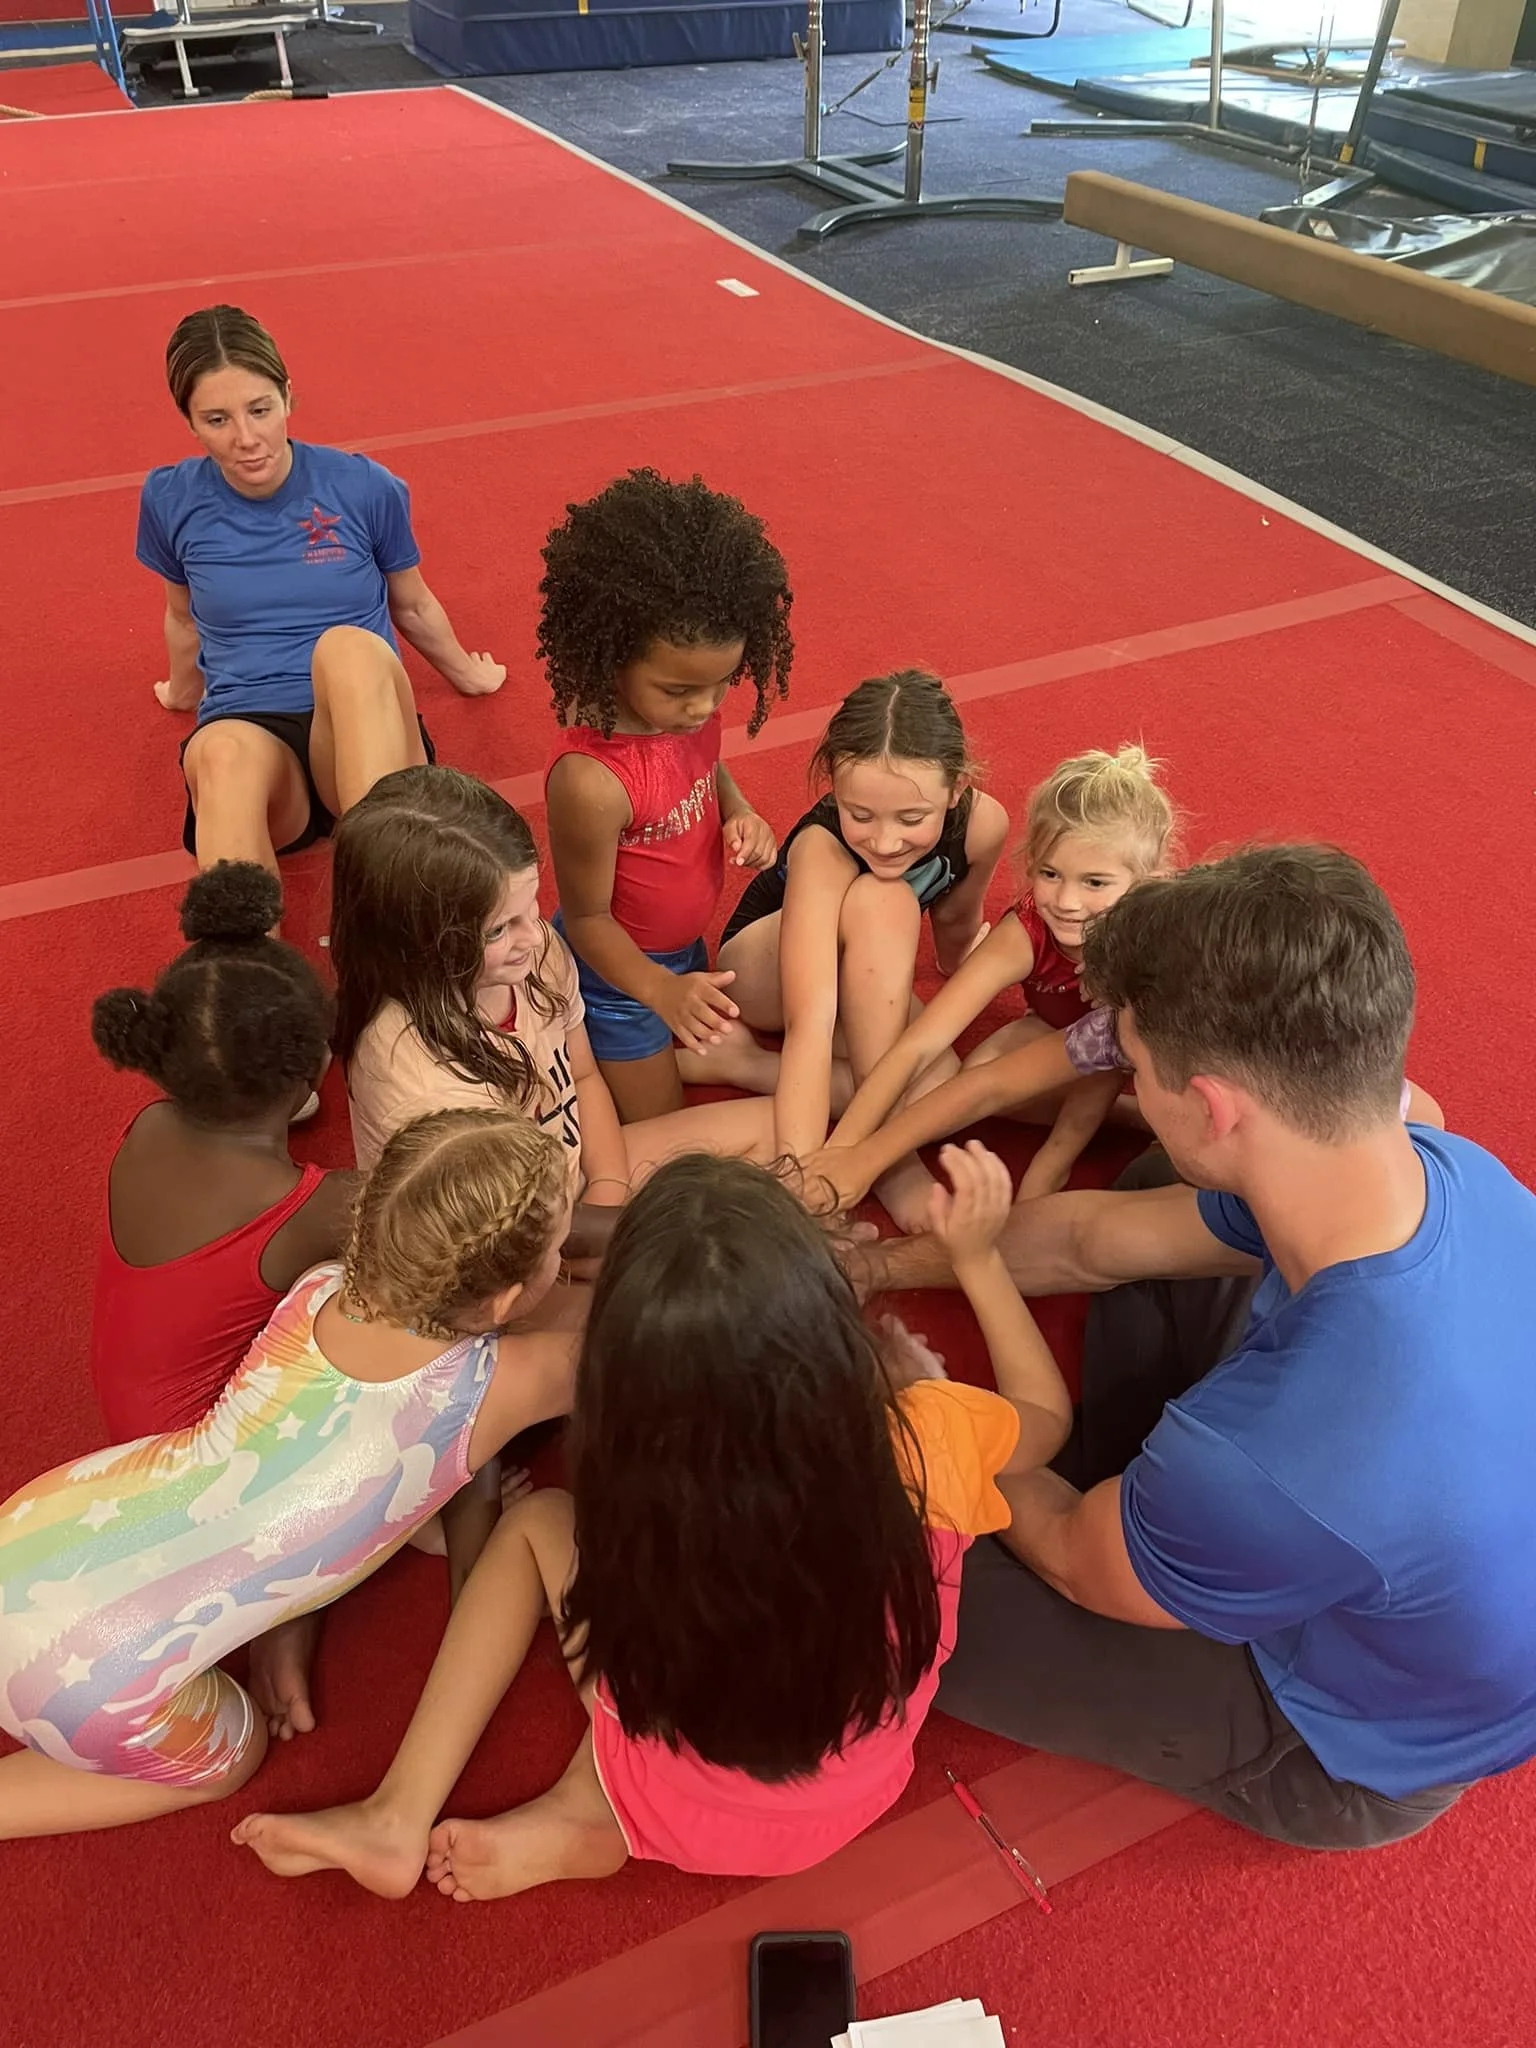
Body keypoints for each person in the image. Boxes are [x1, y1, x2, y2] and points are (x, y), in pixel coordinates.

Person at [868, 845, 1536, 1851]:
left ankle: (1151, 1524)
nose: (1127, 1078)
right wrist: (873, 1267)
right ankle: (1155, 1515)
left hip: (1333, 1742)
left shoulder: (1282, 1454)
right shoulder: (1448, 1166)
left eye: (1136, 1068)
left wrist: (937, 1422)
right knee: (1150, 1194)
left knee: (863, 1545)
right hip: (1366, 1515)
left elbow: (1071, 1557)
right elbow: (1093, 1239)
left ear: (1216, 1102)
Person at [230, 1141, 1069, 1900]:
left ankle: (417, 1811)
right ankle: (586, 1813)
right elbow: (1046, 1416)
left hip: (679, 1793)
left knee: (536, 1526)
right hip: (851, 1796)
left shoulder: (640, 1490)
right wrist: (976, 1260)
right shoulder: (928, 1433)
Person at [0, 1108, 583, 1840]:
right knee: (233, 1751)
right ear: (501, 1301)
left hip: (33, 1536)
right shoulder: (509, 1380)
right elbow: (631, 1339)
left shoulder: (320, 1289)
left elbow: (315, 1449)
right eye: (558, 1249)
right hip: (92, 1697)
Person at [331, 765, 776, 1266]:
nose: (532, 935)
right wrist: (646, 1232)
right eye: (498, 929)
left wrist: (608, 1189)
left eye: (532, 905)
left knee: (781, 1128)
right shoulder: (416, 1078)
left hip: (575, 1189)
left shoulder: (537, 949)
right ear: (416, 942)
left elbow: (582, 1075)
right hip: (506, 1250)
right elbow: (508, 1241)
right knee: (701, 1285)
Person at [138, 304, 503, 874]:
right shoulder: (170, 499)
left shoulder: (361, 485)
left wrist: (466, 673)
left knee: (349, 648)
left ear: (287, 396)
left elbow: (411, 601)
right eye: (217, 420)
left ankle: (384, 899)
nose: (246, 438)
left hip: (362, 724)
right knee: (220, 753)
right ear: (188, 420)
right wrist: (184, 692)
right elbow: (183, 616)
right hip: (253, 732)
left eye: (260, 410)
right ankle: (245, 957)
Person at [540, 469, 792, 1122]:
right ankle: (571, 1056)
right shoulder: (591, 783)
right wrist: (659, 991)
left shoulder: (690, 712)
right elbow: (590, 922)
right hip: (616, 978)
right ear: (614, 655)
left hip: (682, 954)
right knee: (664, 1127)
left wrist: (739, 810)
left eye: (721, 684)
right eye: (679, 691)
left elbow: (707, 769)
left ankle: (650, 1053)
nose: (704, 708)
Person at [820, 745, 1172, 1208]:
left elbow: (1108, 1064)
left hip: (1155, 1061)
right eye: (1050, 873)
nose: (1066, 901)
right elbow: (922, 1044)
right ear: (1030, 864)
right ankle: (1131, 1117)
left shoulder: (1160, 946)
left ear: (1143, 884)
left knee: (1103, 1060)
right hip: (1064, 1035)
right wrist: (845, 1153)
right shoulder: (1026, 932)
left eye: (1095, 883)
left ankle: (1132, 1122)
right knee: (976, 1076)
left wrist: (1048, 1168)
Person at [717, 671, 1008, 1227]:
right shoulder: (823, 847)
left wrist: (962, 960)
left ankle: (749, 1065)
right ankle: (896, 1169)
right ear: (834, 787)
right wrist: (801, 1176)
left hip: (861, 965)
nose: (885, 840)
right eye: (861, 815)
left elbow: (955, 919)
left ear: (958, 789)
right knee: (886, 899)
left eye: (913, 818)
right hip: (764, 973)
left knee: (943, 1078)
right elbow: (811, 1019)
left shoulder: (983, 825)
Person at [88, 860, 354, 1445]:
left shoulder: (148, 1126)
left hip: (131, 1432)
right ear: (314, 1074)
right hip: (204, 1473)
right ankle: (426, 1501)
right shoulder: (308, 1207)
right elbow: (469, 1223)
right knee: (422, 1307)